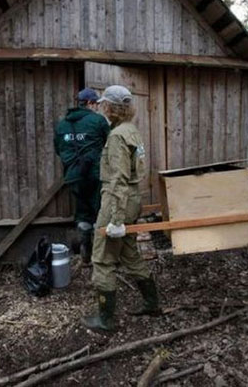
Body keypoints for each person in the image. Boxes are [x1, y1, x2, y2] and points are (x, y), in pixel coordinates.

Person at [82, 85, 161, 332]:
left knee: (102, 259)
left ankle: (106, 320)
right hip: (133, 199)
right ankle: (152, 303)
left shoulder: (117, 136)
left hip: (118, 201)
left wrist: (115, 218)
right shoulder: (132, 131)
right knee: (129, 253)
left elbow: (118, 178)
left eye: (105, 103)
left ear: (112, 107)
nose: (102, 107)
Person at [54, 88, 110, 264]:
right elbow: (110, 144)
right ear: (90, 103)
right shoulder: (98, 121)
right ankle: (100, 255)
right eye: (96, 104)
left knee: (83, 212)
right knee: (100, 211)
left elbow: (58, 150)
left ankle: (85, 250)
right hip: (95, 175)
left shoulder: (62, 125)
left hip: (73, 177)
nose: (97, 108)